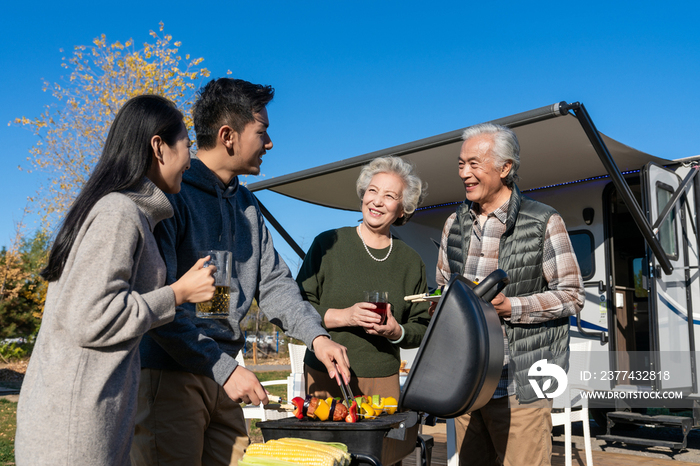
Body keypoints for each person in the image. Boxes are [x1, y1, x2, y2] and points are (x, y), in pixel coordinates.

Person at [131, 78, 351, 466]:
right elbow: (157, 302)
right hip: (171, 373)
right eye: (262, 132)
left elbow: (274, 283)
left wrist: (317, 338)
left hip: (226, 375)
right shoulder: (172, 196)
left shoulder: (247, 203)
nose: (270, 143)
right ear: (228, 135)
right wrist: (223, 368)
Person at [15, 95, 217, 466]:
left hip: (91, 423)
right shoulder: (119, 213)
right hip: (74, 431)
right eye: (187, 146)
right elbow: (92, 318)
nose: (190, 161)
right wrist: (177, 293)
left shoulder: (131, 213)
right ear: (159, 146)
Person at [435, 123, 584, 466]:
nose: (465, 173)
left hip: (521, 385)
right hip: (468, 383)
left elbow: (572, 295)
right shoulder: (453, 225)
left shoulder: (543, 220)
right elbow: (444, 287)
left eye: (475, 163)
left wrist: (511, 307)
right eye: (461, 164)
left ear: (505, 168)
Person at [297, 156, 431, 400]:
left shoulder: (411, 261)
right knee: (325, 439)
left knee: (384, 440)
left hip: (383, 380)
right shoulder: (327, 245)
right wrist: (346, 316)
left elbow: (422, 327)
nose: (377, 201)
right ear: (363, 195)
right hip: (327, 372)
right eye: (373, 191)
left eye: (390, 196)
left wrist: (396, 331)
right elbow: (297, 306)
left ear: (403, 209)